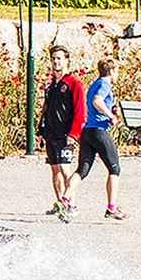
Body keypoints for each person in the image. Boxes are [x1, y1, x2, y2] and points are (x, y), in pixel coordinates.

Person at [64, 59, 127, 221]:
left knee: (82, 170)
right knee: (115, 169)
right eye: (117, 71)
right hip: (99, 132)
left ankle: (66, 197)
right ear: (112, 71)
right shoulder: (105, 84)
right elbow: (97, 101)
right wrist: (111, 115)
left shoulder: (94, 84)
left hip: (87, 132)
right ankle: (111, 208)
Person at [39, 46, 87, 217]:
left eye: (59, 58)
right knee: (54, 169)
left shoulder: (74, 84)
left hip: (66, 134)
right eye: (53, 58)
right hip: (51, 133)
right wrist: (41, 130)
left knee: (66, 168)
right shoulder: (51, 85)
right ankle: (60, 202)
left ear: (66, 60)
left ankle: (71, 204)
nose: (56, 62)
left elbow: (80, 111)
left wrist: (74, 135)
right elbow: (47, 108)